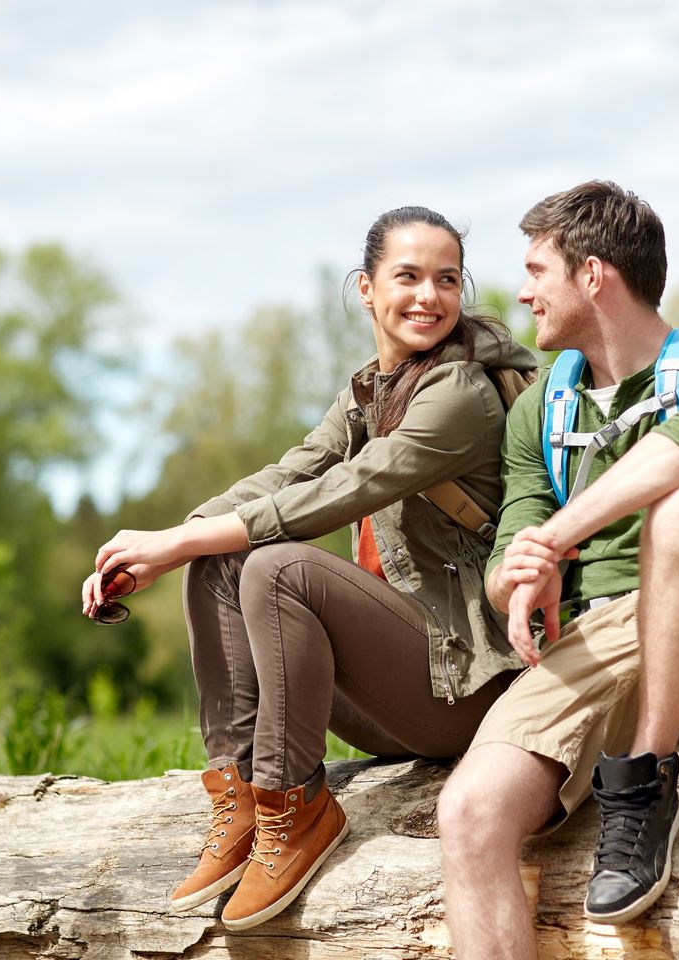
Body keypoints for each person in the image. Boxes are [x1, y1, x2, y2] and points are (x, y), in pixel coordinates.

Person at [81, 206, 537, 932]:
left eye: (447, 280)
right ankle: (243, 797)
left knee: (280, 570)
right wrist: (172, 541)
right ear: (365, 288)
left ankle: (296, 810)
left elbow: (336, 495)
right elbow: (290, 473)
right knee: (221, 554)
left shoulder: (460, 396)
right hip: (408, 692)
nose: (429, 296)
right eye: (408, 277)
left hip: (474, 691)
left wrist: (175, 544)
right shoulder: (369, 391)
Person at [437, 181, 679, 958]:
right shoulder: (541, 409)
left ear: (593, 275)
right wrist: (518, 579)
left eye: (537, 270)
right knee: (468, 814)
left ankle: (646, 781)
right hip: (598, 643)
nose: (523, 292)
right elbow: (513, 549)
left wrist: (559, 537)